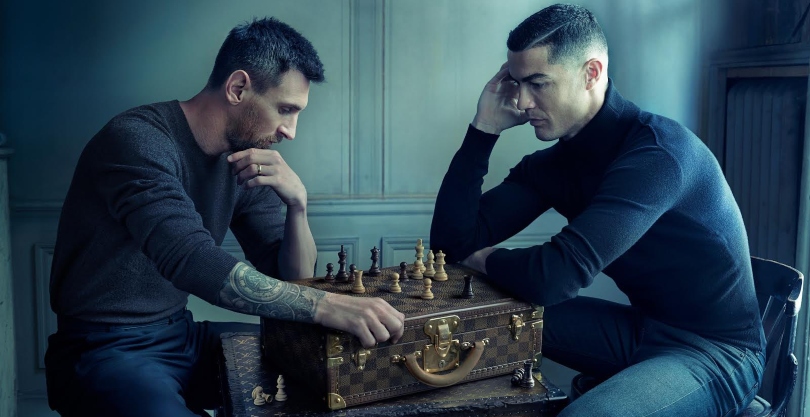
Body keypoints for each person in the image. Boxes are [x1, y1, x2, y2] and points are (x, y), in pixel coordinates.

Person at [45, 17, 405, 417]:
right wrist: (324, 305)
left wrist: (297, 206)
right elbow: (189, 259)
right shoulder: (135, 142)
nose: (291, 131)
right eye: (285, 110)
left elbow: (290, 278)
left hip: (180, 335)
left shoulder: (244, 159)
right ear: (237, 88)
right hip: (103, 349)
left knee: (319, 363)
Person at [430, 4, 764, 417]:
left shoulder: (658, 155)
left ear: (591, 73)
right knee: (475, 319)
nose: (521, 100)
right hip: (640, 330)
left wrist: (483, 259)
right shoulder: (557, 164)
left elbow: (555, 277)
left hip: (717, 353)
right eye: (516, 83)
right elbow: (449, 242)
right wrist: (483, 129)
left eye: (538, 83)